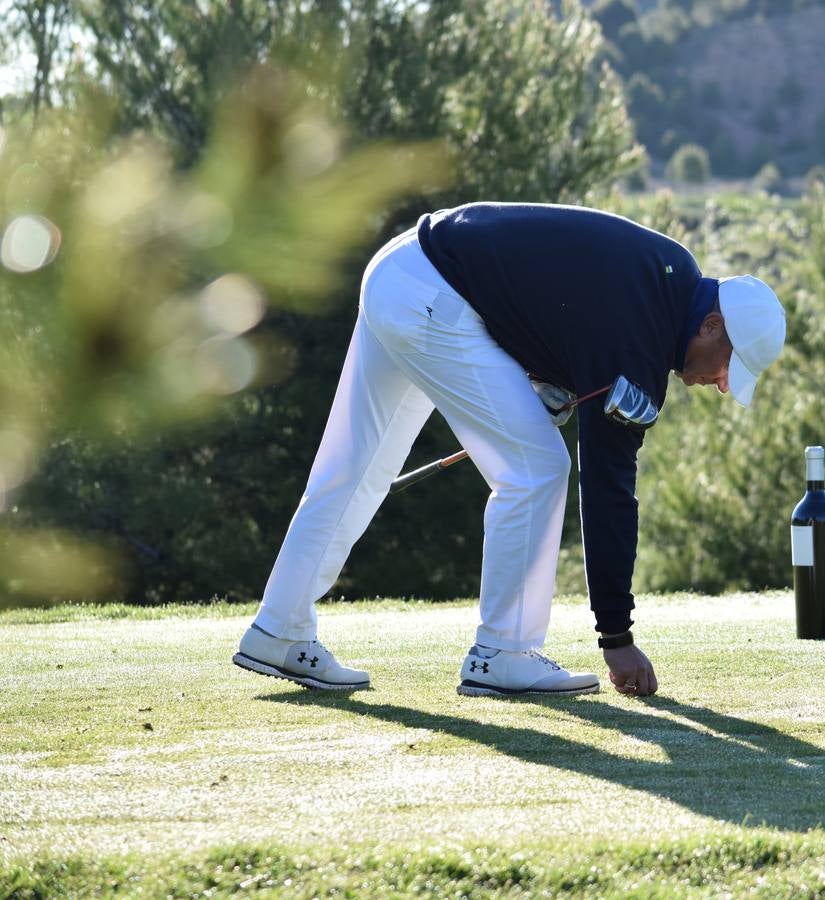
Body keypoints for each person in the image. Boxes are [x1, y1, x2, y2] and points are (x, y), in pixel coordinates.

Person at [232, 202, 786, 697]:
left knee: (352, 470)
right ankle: (503, 652)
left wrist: (543, 374)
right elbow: (608, 486)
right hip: (437, 294)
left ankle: (279, 630)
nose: (720, 384)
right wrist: (616, 636)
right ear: (711, 325)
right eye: (727, 368)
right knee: (537, 469)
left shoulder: (666, 280)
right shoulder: (643, 341)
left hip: (401, 269)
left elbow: (549, 304)